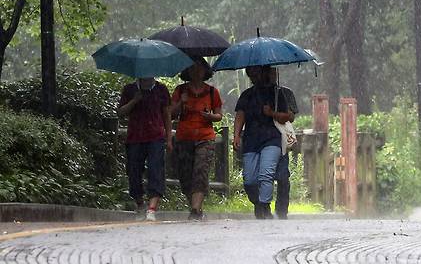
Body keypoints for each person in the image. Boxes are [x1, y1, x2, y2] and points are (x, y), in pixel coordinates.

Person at [233, 65, 291, 219]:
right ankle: (258, 202)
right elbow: (240, 115)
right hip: (251, 139)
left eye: (257, 72)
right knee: (250, 179)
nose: (254, 76)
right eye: (251, 73)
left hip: (272, 138)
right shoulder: (247, 95)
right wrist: (236, 135)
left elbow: (287, 116)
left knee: (266, 174)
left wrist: (271, 113)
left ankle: (264, 206)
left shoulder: (278, 94)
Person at [170, 57, 223, 220]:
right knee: (185, 175)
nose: (196, 71)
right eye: (192, 68)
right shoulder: (180, 91)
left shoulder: (212, 92)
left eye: (199, 68)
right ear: (187, 71)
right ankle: (196, 208)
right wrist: (181, 103)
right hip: (184, 137)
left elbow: (219, 115)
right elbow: (171, 113)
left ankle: (194, 210)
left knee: (201, 171)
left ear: (205, 70)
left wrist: (210, 116)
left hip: (205, 137)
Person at [117, 76, 172, 221]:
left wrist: (169, 138)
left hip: (156, 137)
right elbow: (120, 112)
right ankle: (140, 204)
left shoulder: (161, 89)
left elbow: (166, 114)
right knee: (134, 171)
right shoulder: (130, 89)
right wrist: (134, 100)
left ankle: (152, 208)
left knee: (156, 170)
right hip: (135, 137)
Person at [265, 67, 298, 219]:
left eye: (273, 73)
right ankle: (263, 207)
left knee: (283, 176)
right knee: (265, 176)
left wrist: (274, 113)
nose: (271, 76)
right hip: (263, 139)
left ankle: (281, 210)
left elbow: (291, 116)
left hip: (281, 140)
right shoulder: (257, 94)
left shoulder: (285, 93)